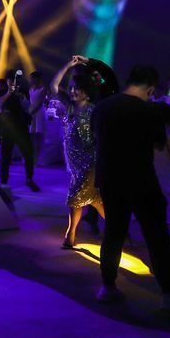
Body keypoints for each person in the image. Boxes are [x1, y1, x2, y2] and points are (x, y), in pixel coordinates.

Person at [93, 65, 170, 314]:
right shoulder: (149, 111)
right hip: (141, 179)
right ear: (151, 88)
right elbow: (159, 146)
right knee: (156, 236)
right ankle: (169, 295)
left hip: (109, 179)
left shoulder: (102, 107)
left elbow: (95, 138)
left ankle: (107, 287)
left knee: (113, 233)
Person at [52, 56, 104, 248]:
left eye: (77, 89)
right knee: (95, 199)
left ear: (87, 93)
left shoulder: (94, 111)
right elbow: (54, 86)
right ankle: (118, 227)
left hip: (90, 161)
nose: (72, 91)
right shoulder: (69, 106)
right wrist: (68, 65)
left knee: (75, 197)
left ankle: (70, 235)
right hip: (74, 163)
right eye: (72, 88)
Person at [0, 76, 37, 193]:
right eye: (11, 82)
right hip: (7, 128)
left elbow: (29, 108)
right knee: (5, 156)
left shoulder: (23, 92)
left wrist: (22, 98)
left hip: (21, 127)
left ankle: (29, 179)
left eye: (16, 82)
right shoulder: (1, 92)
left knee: (28, 154)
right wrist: (9, 93)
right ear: (7, 82)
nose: (13, 84)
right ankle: (3, 182)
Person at [27, 71, 48, 163]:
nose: (31, 80)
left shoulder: (43, 89)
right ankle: (32, 158)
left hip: (39, 113)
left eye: (32, 78)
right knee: (32, 137)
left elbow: (39, 104)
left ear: (37, 79)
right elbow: (31, 102)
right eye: (30, 78)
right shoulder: (30, 89)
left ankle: (36, 159)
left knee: (38, 137)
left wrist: (30, 113)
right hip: (32, 111)